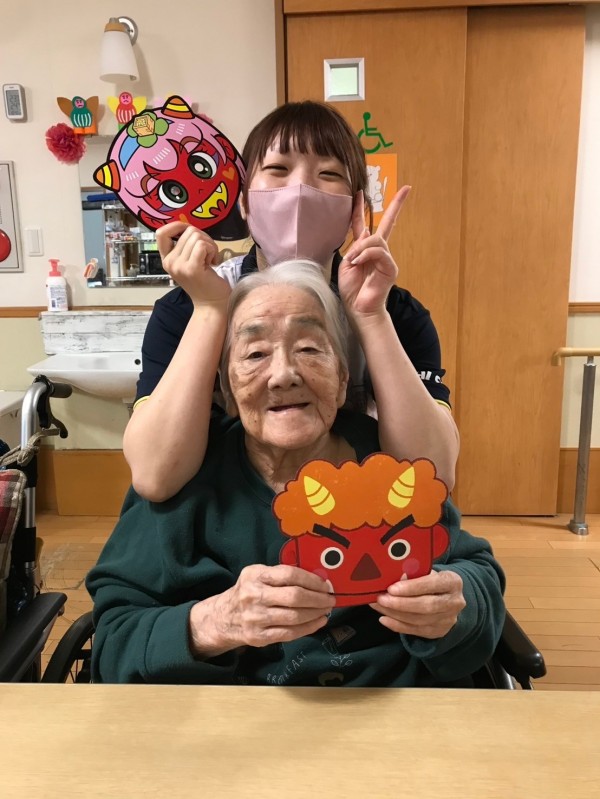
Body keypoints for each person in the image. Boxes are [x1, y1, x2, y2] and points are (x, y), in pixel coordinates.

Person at [87, 261, 505, 686]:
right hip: (229, 718)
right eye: (255, 354)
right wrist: (214, 622)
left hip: (397, 708)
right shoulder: (186, 474)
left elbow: (475, 575)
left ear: (342, 380)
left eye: (308, 349)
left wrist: (454, 604)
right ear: (227, 391)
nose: (284, 375)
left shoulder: (391, 466)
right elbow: (114, 641)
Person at [124, 101, 459, 502]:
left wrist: (371, 319)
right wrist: (210, 310)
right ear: (244, 200)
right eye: (278, 169)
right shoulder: (184, 310)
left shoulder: (396, 314)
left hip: (355, 517)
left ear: (355, 206)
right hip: (227, 513)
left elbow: (433, 473)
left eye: (329, 174)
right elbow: (155, 476)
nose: (300, 189)